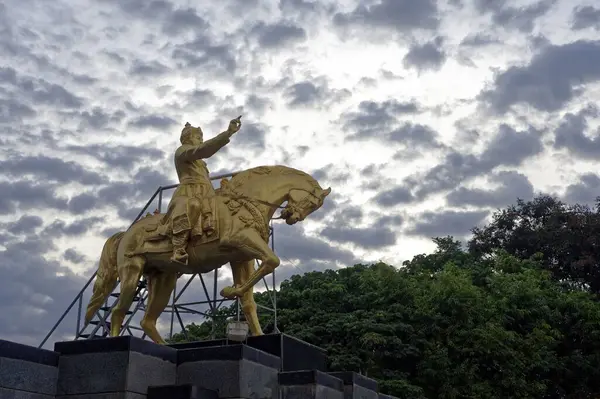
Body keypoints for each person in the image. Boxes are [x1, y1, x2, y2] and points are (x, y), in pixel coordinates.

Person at [161, 117, 242, 265]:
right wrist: (227, 133)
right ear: (188, 138)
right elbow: (203, 150)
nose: (201, 140)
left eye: (201, 138)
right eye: (198, 137)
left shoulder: (200, 162)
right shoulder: (182, 151)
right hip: (189, 191)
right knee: (192, 206)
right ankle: (178, 249)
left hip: (207, 192)